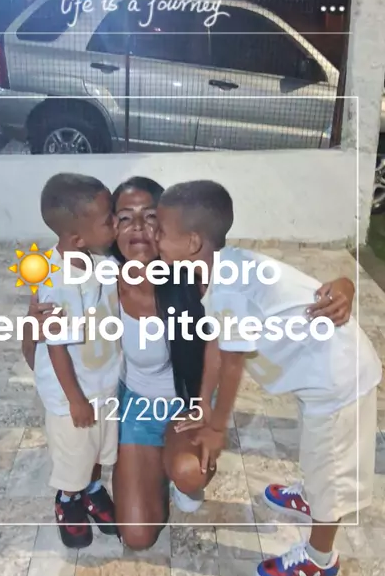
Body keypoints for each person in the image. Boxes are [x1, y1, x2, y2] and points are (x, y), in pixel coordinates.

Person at [23, 175, 357, 554]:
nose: (138, 228)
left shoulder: (193, 274)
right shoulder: (98, 277)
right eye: (125, 217)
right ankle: (145, 466)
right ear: (111, 227)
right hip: (135, 408)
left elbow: (269, 282)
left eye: (150, 217)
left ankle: (179, 471)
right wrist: (33, 328)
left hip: (186, 402)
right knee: (137, 535)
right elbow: (44, 342)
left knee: (187, 472)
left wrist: (343, 285)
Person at [155, 179, 381, 576]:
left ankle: (320, 559)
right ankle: (310, 495)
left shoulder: (230, 288)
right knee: (317, 452)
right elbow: (216, 340)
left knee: (332, 473)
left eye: (161, 231)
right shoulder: (220, 269)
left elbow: (232, 364)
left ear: (192, 242)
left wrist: (216, 427)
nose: (155, 238)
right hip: (318, 374)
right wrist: (203, 403)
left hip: (338, 379)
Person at [33, 172, 120, 549]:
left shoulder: (97, 259)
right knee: (74, 454)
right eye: (108, 220)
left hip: (102, 383)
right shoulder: (59, 282)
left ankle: (93, 488)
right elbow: (55, 347)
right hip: (73, 396)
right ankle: (68, 499)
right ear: (78, 238)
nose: (116, 224)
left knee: (98, 448)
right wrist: (75, 399)